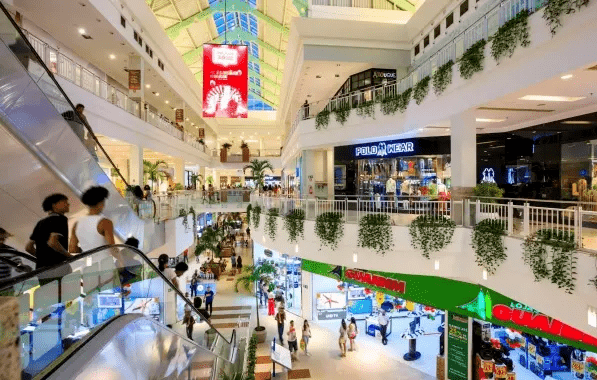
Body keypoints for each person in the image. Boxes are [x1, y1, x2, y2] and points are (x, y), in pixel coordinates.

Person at [69, 187, 125, 267]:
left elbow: (72, 249)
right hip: (104, 265)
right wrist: (121, 260)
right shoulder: (105, 222)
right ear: (100, 204)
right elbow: (112, 248)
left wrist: (86, 250)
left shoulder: (77, 224)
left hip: (87, 267)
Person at [26, 194, 74, 283]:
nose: (68, 204)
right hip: (57, 268)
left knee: (48, 296)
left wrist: (42, 258)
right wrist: (68, 255)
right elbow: (52, 242)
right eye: (64, 202)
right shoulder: (60, 219)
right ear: (54, 205)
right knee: (62, 295)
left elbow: (28, 247)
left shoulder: (40, 222)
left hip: (41, 270)